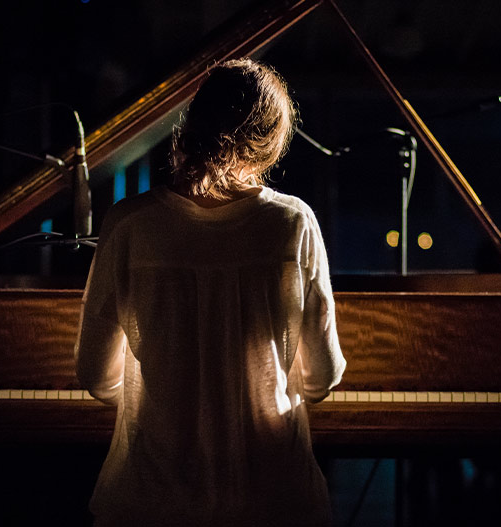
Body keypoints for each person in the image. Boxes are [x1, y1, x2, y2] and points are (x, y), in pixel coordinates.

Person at [74, 59, 346, 527]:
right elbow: (321, 378)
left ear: (193, 125)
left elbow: (96, 377)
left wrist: (168, 397)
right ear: (271, 142)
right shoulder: (293, 222)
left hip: (153, 497)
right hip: (273, 496)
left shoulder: (130, 223)